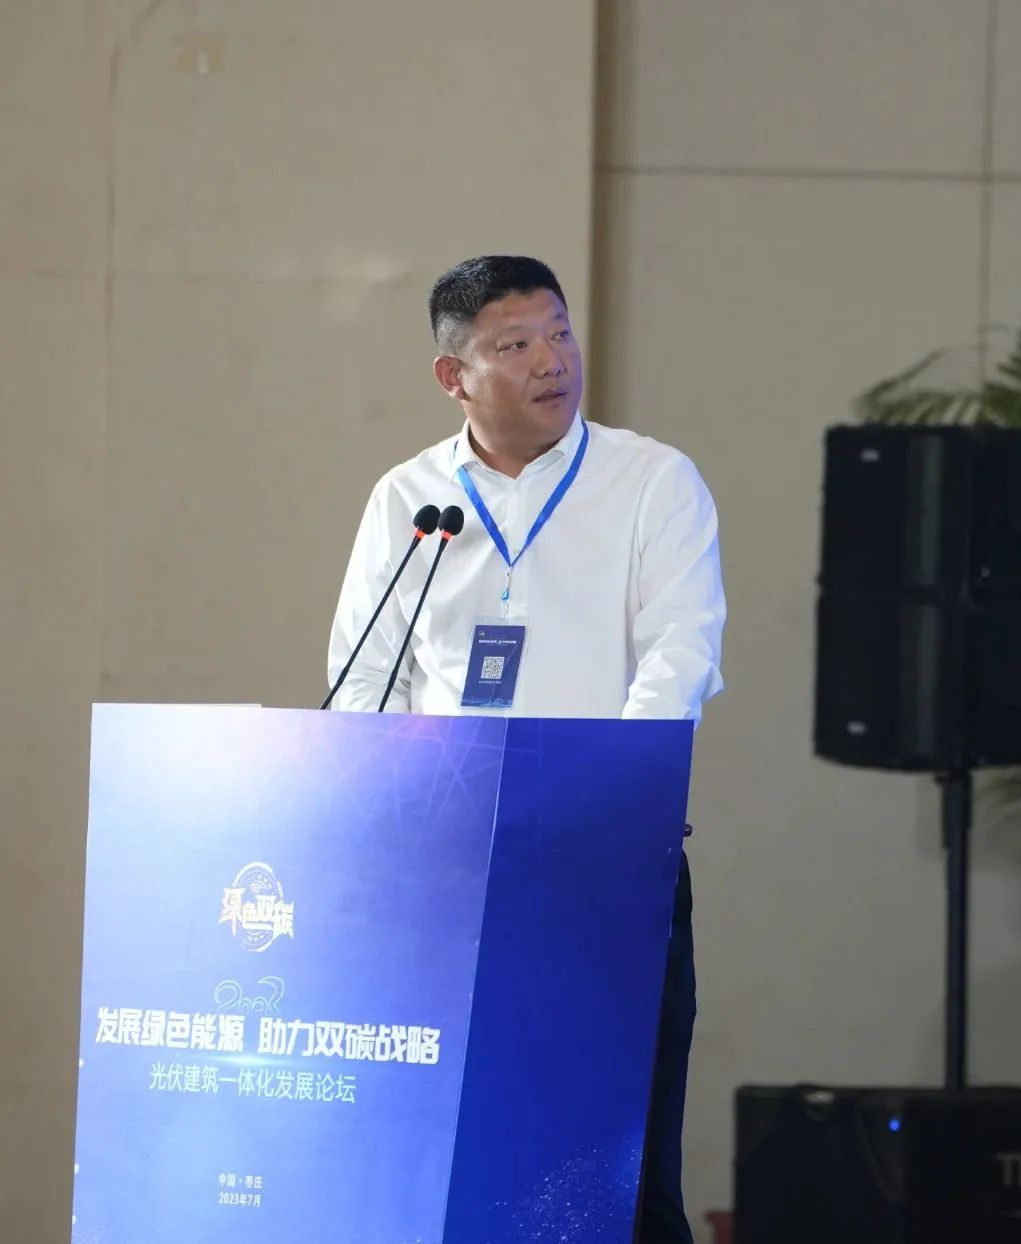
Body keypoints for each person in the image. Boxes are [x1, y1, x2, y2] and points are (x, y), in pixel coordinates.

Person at [328, 254, 726, 1244]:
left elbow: (681, 653)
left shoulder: (650, 482)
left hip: (607, 866)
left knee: (619, 1174)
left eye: (560, 332)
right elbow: (367, 675)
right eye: (516, 344)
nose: (554, 360)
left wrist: (616, 793)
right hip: (446, 875)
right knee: (451, 1163)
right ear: (453, 375)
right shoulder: (410, 500)